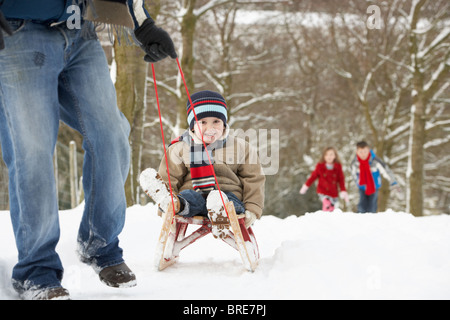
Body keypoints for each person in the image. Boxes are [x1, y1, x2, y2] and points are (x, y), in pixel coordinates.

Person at [0, 0, 176, 300]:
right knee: (32, 151)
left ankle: (100, 244)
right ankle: (36, 270)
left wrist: (143, 24)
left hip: (80, 33)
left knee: (112, 135)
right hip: (18, 33)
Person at [140, 90, 265, 239]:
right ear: (192, 126)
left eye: (216, 121)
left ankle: (220, 212)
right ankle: (172, 204)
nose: (210, 127)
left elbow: (253, 178)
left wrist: (252, 207)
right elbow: (170, 177)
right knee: (186, 197)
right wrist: (166, 213)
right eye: (203, 122)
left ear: (224, 123)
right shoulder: (181, 147)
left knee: (226, 200)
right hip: (194, 200)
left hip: (229, 199)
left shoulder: (240, 147)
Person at [350, 141, 399, 213]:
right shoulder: (355, 163)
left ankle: (372, 220)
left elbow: (386, 171)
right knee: (361, 206)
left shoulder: (375, 161)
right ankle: (360, 219)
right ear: (357, 152)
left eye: (365, 152)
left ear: (369, 150)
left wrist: (393, 182)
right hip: (362, 187)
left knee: (372, 206)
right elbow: (353, 174)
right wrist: (357, 181)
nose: (363, 154)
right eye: (361, 152)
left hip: (374, 186)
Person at [299, 147, 349, 212]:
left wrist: (343, 190)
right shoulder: (320, 166)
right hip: (323, 191)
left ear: (335, 156)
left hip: (333, 192)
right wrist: (306, 186)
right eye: (327, 155)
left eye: (331, 154)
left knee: (331, 208)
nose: (329, 157)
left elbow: (341, 179)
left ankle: (326, 218)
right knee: (327, 203)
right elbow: (313, 177)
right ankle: (326, 215)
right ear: (324, 156)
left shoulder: (338, 167)